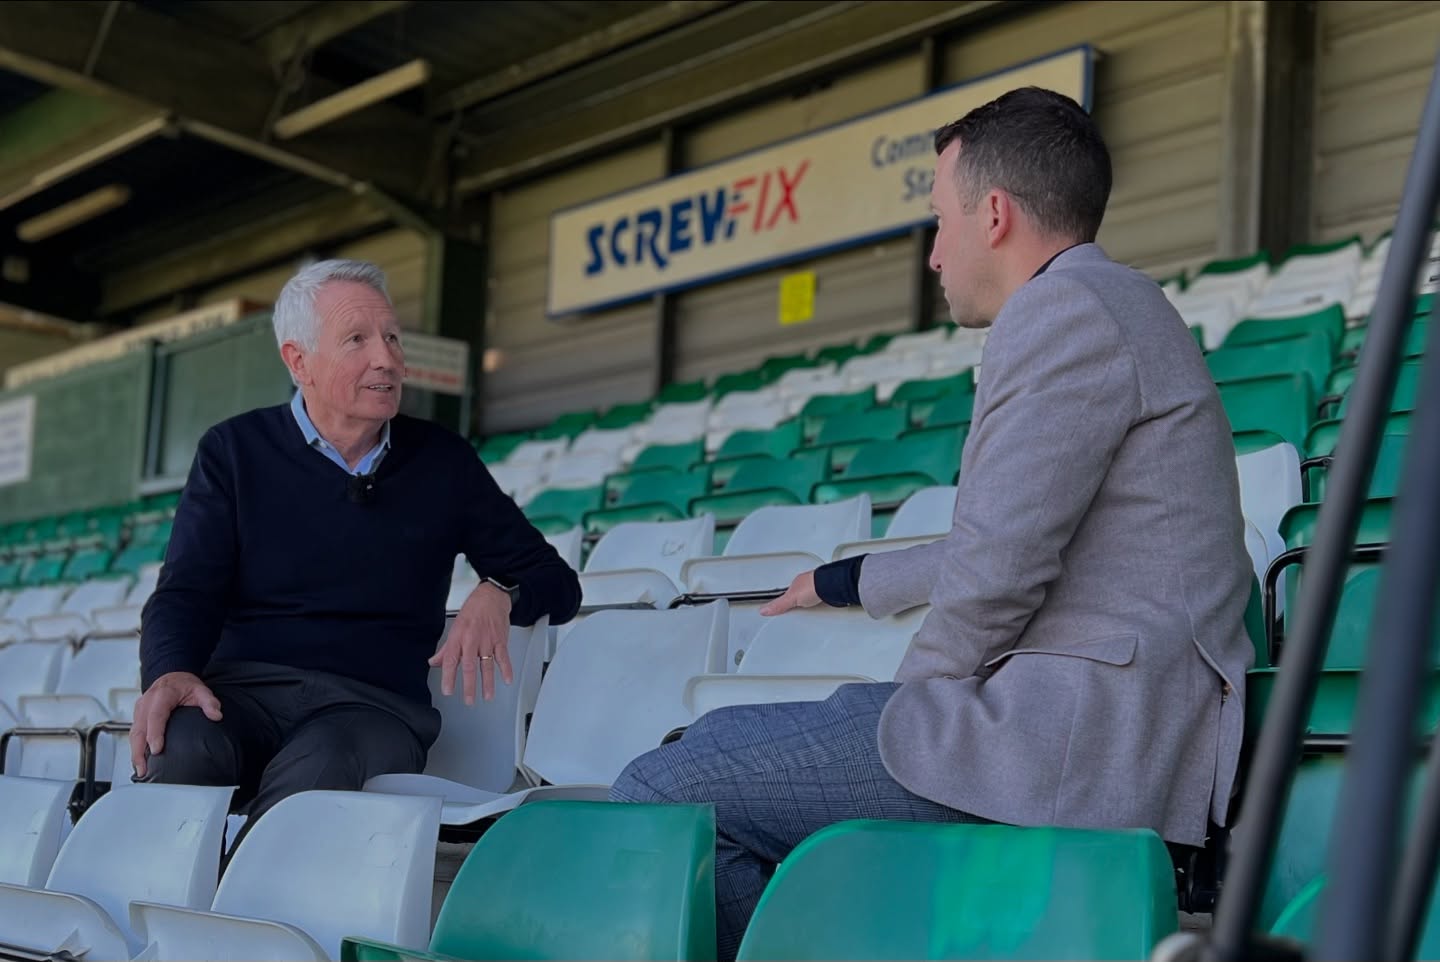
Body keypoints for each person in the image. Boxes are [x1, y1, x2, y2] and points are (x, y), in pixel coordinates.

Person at [610, 86, 1254, 959]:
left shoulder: (1063, 312)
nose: (933, 255)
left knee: (665, 788)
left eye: (938, 221)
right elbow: (1016, 536)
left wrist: (910, 712)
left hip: (1068, 743)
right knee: (713, 744)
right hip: (1085, 721)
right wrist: (847, 580)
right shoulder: (1109, 305)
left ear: (992, 215)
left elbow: (998, 568)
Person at [133, 259, 581, 843]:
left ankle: (237, 916)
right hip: (243, 692)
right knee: (180, 744)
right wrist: (169, 672)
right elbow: (186, 591)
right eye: (357, 340)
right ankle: (161, 917)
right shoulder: (234, 451)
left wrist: (501, 591)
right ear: (299, 362)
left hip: (374, 710)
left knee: (322, 768)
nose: (388, 359)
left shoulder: (442, 461)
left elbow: (559, 583)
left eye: (392, 337)